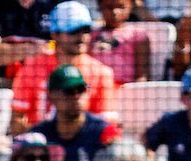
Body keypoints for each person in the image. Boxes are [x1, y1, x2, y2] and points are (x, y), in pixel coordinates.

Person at [10, 1, 115, 129]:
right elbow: (16, 120)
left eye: (86, 30)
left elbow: (104, 126)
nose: (82, 37)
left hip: (84, 146)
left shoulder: (101, 73)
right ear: (55, 34)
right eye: (73, 31)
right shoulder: (32, 68)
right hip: (41, 144)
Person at [32, 64, 121, 161]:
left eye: (81, 89)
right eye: (68, 91)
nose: (76, 95)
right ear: (52, 96)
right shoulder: (40, 136)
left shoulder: (102, 131)